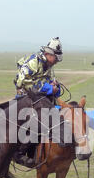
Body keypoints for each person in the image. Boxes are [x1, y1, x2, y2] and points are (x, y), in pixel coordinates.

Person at [12, 37, 63, 168]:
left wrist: (54, 86)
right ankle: (20, 153)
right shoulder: (34, 61)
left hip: (40, 98)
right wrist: (47, 87)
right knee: (39, 120)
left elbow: (48, 81)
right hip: (25, 96)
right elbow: (21, 82)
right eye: (55, 58)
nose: (56, 62)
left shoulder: (48, 66)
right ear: (48, 54)